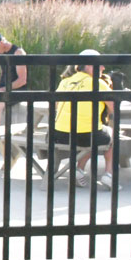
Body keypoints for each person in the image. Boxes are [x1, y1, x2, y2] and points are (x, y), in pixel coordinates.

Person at [51, 49, 117, 190]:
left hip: (60, 135)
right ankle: (108, 174)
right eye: (100, 64)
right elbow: (114, 108)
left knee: (94, 133)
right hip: (86, 136)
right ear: (89, 65)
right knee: (112, 134)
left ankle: (79, 171)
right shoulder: (98, 83)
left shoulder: (65, 82)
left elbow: (56, 105)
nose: (103, 68)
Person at [0, 32, 28, 128]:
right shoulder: (1, 54)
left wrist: (2, 89)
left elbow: (22, 80)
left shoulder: (18, 53)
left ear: (1, 43)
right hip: (4, 87)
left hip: (16, 89)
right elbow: (2, 74)